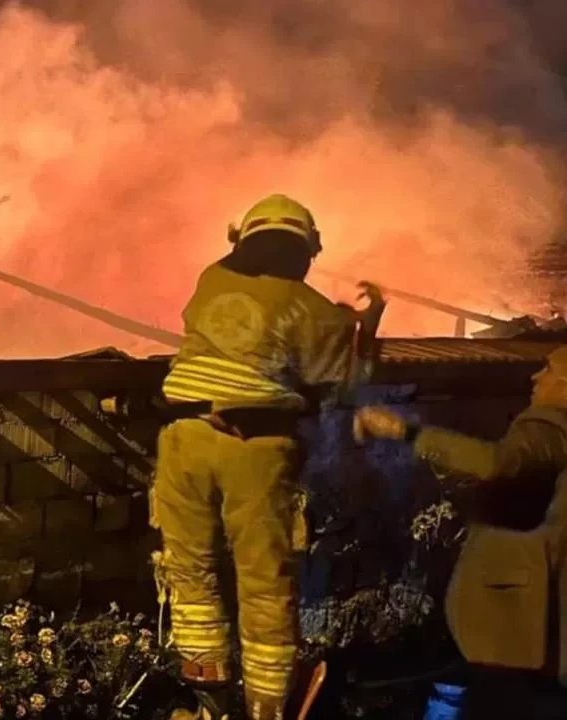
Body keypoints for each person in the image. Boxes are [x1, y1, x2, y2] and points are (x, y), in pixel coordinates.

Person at [155, 194, 386, 720]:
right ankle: (267, 706)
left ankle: (206, 697)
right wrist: (364, 328)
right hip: (256, 450)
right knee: (263, 580)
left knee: (190, 570)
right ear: (307, 250)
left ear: (244, 240)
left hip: (182, 439)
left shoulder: (211, 278)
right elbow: (345, 385)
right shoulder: (314, 311)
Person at [354, 346, 567, 719]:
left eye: (547, 368)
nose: (535, 377)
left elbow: (496, 464)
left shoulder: (550, 427)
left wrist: (405, 431)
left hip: (518, 640)